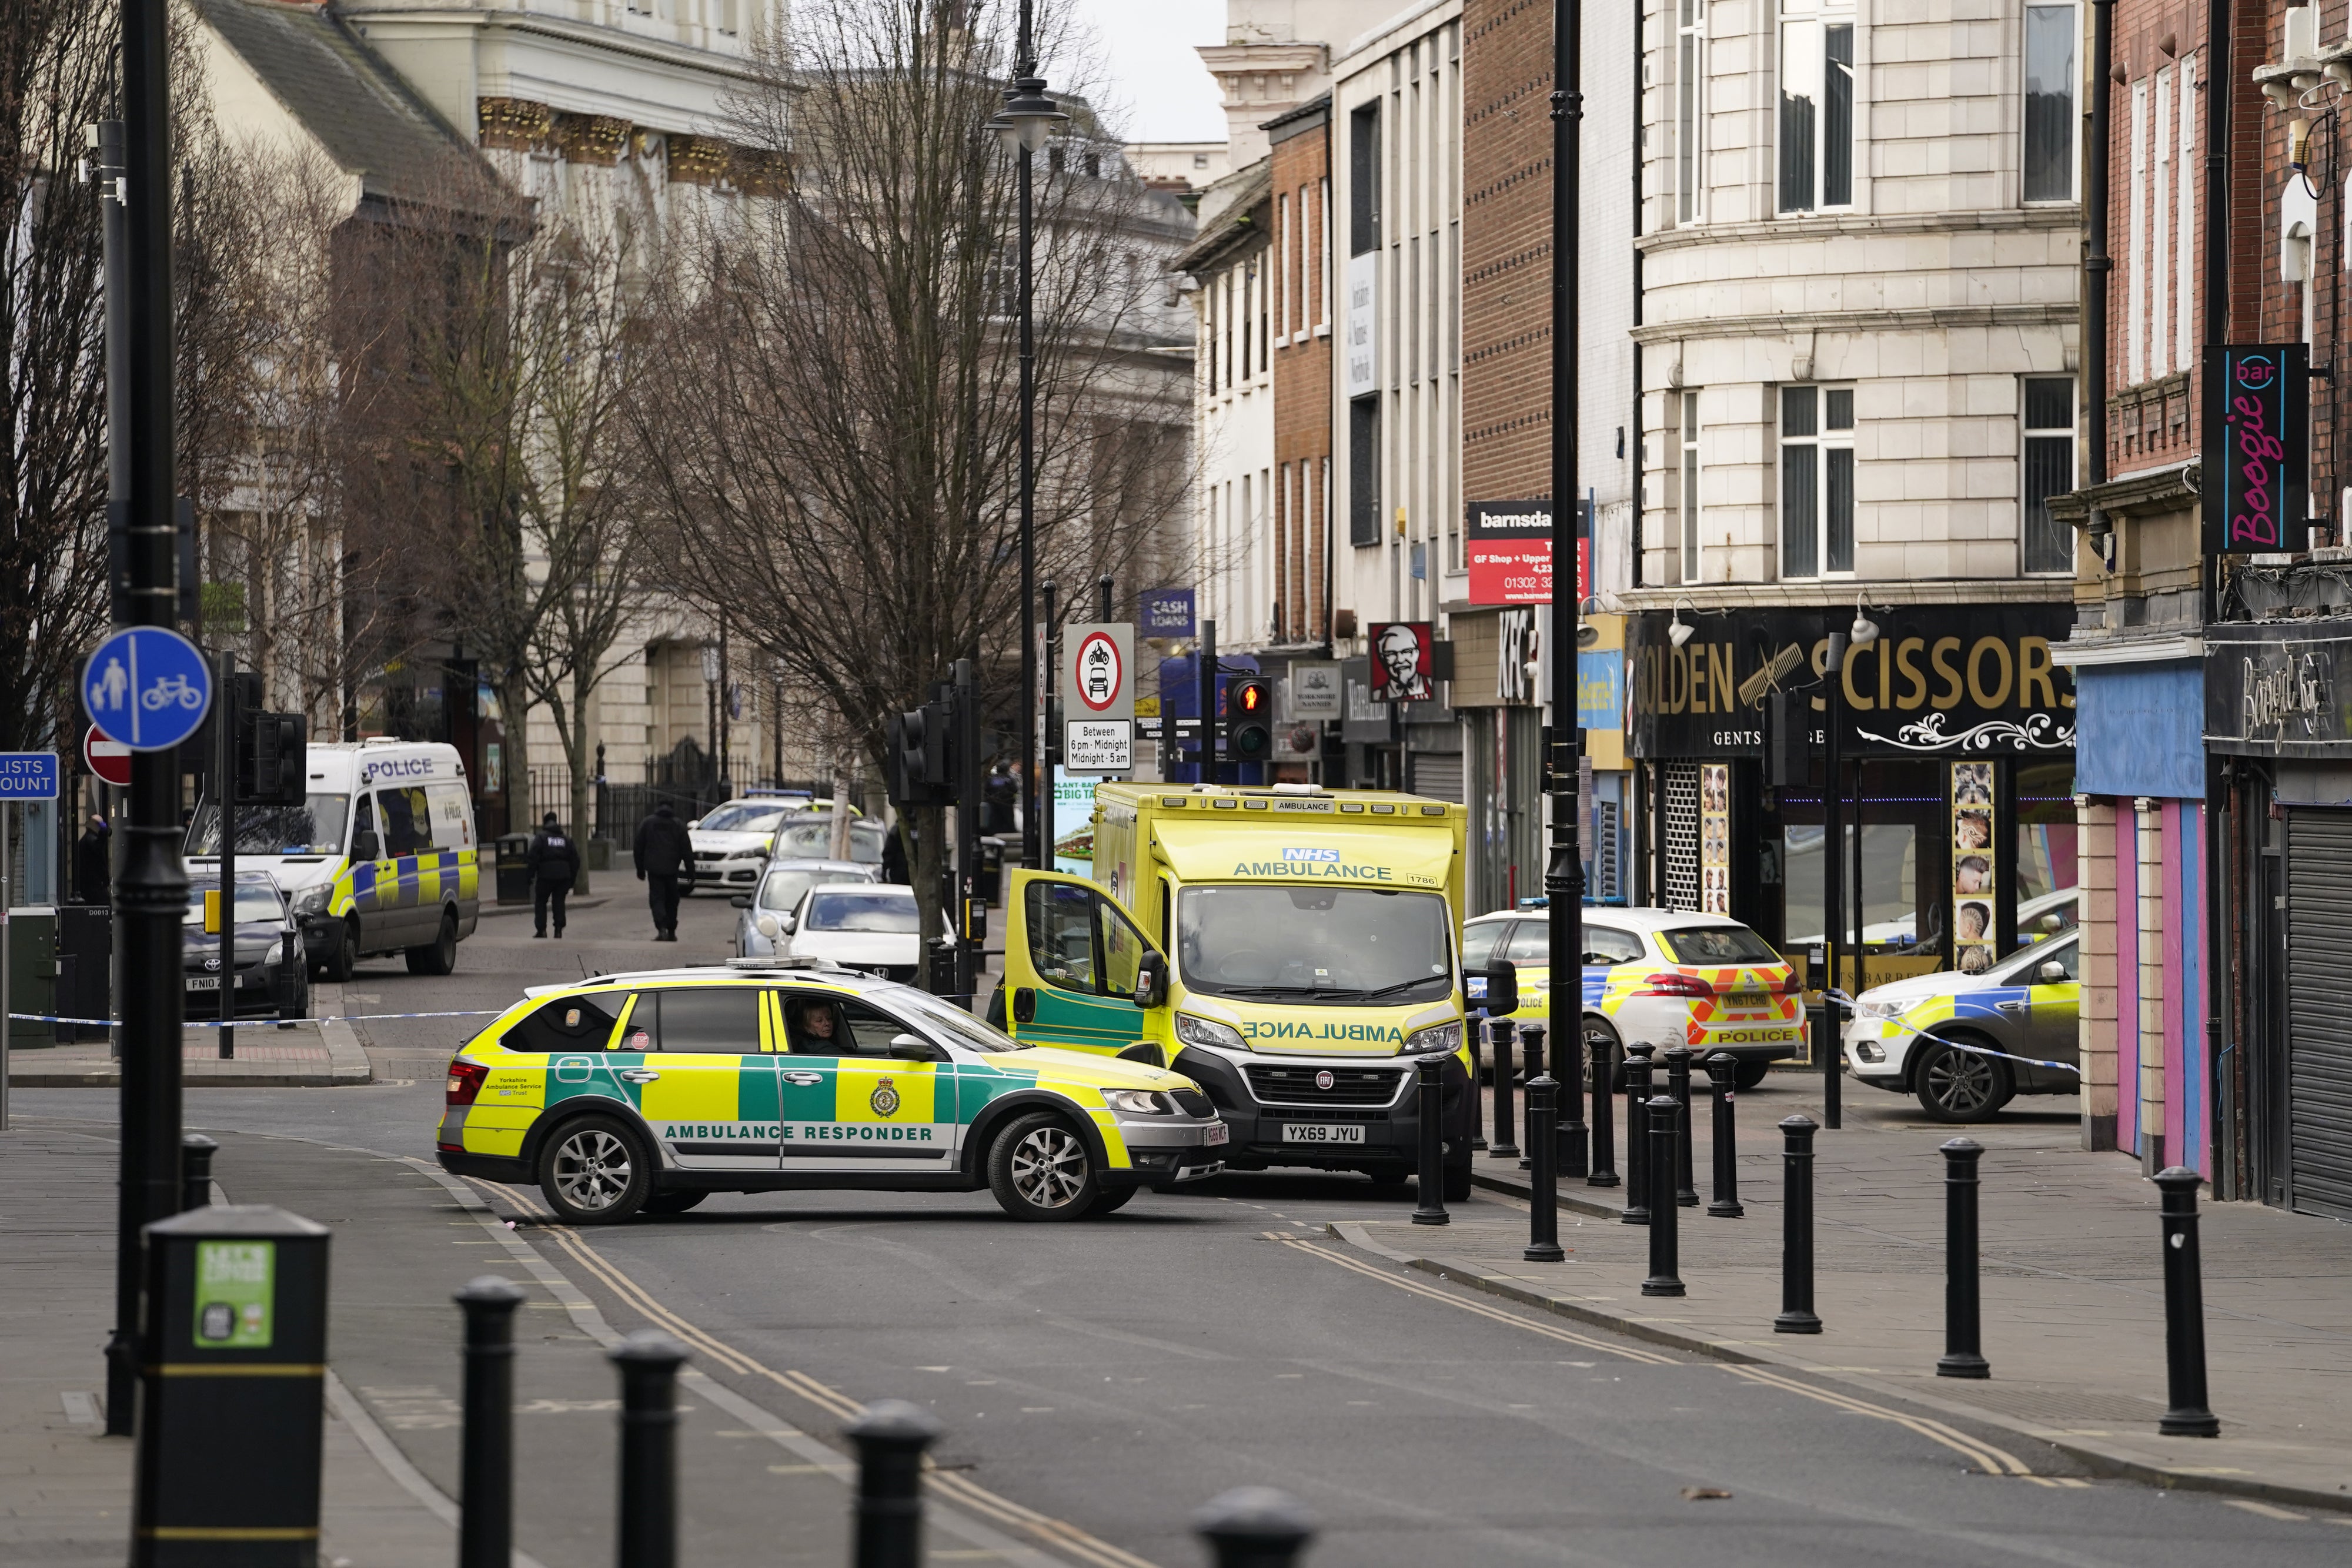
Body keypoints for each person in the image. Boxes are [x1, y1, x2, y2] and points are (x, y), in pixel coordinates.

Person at [634, 800, 692, 942]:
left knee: (657, 899)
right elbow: (686, 850)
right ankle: (671, 930)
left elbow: (638, 847)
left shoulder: (648, 823)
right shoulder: (678, 825)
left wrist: (640, 869)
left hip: (654, 870)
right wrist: (691, 871)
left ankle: (661, 928)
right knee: (672, 899)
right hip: (672, 869)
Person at [528, 812, 581, 938]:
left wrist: (529, 875)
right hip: (563, 876)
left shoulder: (541, 837)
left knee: (541, 902)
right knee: (559, 902)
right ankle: (558, 930)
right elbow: (575, 860)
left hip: (545, 875)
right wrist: (571, 880)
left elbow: (533, 857)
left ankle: (542, 930)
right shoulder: (566, 839)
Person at [73, 813, 111, 905]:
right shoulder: (91, 840)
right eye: (100, 824)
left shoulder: (85, 840)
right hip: (95, 888)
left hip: (89, 887)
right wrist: (103, 826)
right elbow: (100, 844)